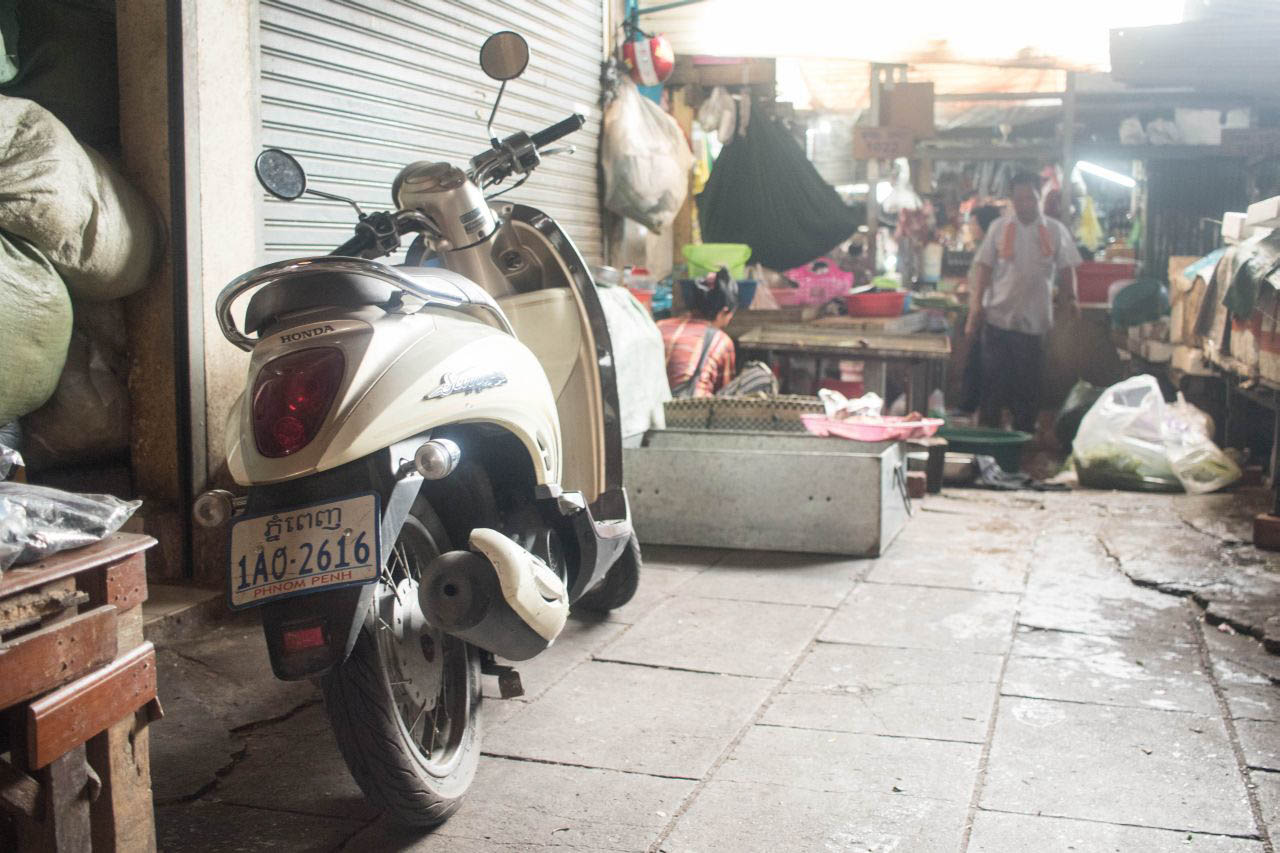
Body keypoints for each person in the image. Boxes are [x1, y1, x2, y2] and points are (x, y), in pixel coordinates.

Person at [965, 172, 1082, 433]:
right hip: (998, 318)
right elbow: (984, 267)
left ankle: (1023, 437)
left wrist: (1071, 298)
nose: (1025, 204)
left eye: (1030, 198)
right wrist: (976, 306)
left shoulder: (1055, 230)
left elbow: (1066, 268)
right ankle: (988, 437)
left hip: (1034, 322)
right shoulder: (999, 228)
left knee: (1028, 386)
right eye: (1019, 199)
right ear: (1012, 200)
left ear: (1039, 198)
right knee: (992, 384)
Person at [657, 267, 775, 397]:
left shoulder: (660, 326)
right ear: (723, 312)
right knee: (762, 376)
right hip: (690, 407)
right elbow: (724, 394)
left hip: (652, 402)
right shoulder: (720, 340)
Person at [957, 204, 1004, 415]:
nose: (971, 227)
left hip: (985, 312)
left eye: (974, 223)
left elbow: (985, 281)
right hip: (980, 309)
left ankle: (970, 407)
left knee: (977, 361)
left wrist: (975, 313)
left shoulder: (992, 248)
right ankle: (970, 406)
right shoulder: (985, 247)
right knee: (975, 360)